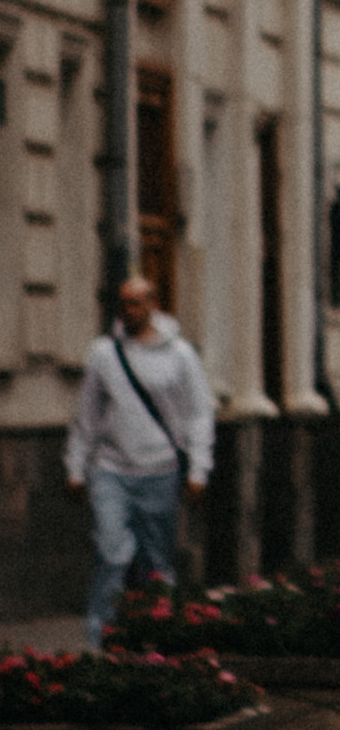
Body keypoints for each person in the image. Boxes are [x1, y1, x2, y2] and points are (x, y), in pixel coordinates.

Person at [68, 273, 214, 647]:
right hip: (111, 469)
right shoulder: (104, 353)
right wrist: (76, 466)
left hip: (160, 470)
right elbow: (87, 415)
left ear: (152, 304)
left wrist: (199, 468)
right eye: (123, 302)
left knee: (156, 561)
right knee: (111, 551)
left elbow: (199, 413)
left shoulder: (180, 355)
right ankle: (100, 638)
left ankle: (162, 636)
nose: (128, 310)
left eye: (135, 302)